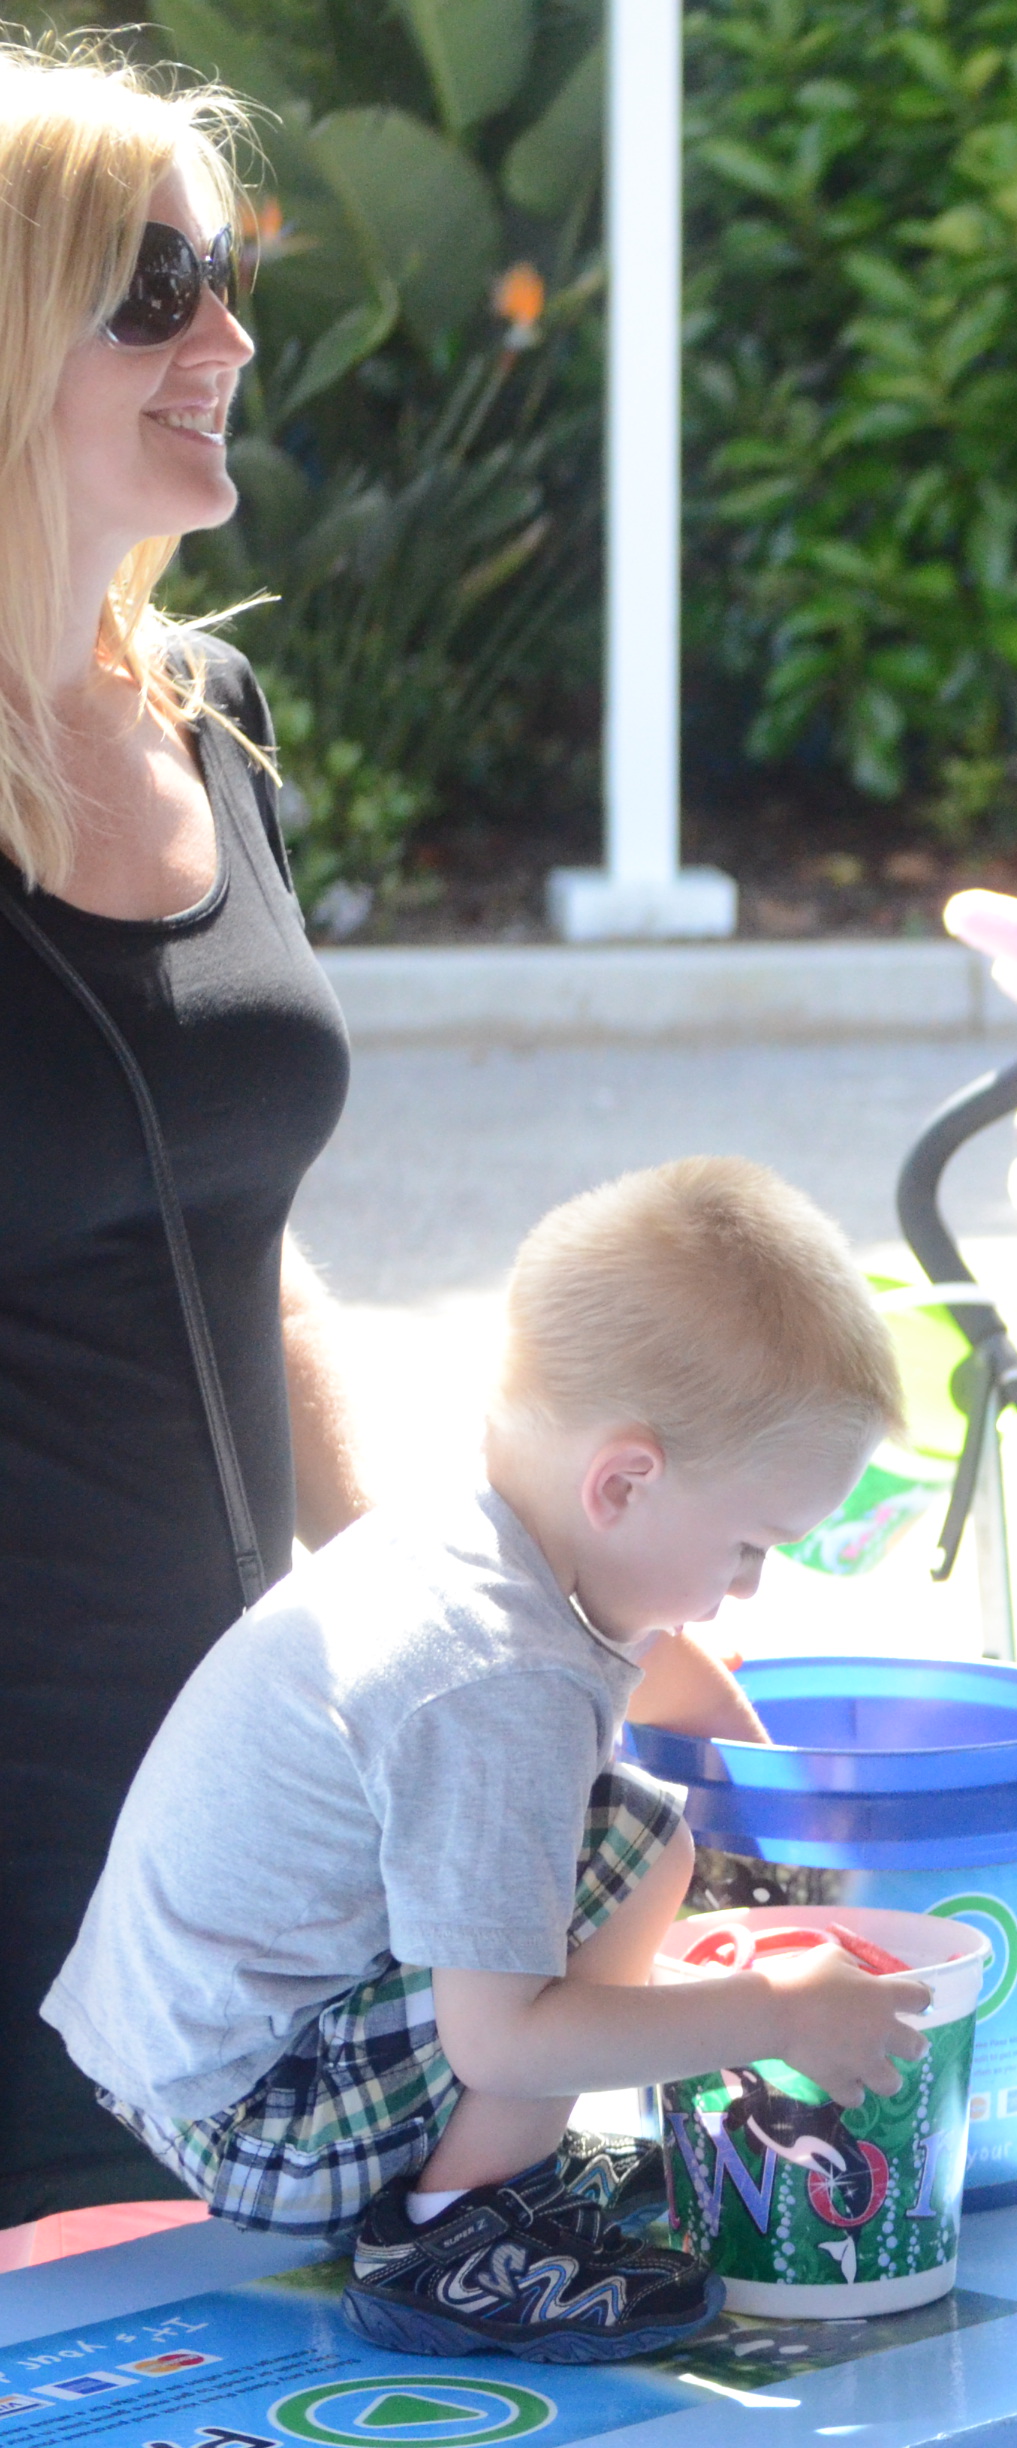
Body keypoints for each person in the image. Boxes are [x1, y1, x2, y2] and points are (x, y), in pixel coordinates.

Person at [47, 1159, 931, 2362]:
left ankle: (491, 2167)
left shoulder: (485, 1535)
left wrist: (791, 1851)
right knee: (637, 1845)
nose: (747, 1588)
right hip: (260, 2112)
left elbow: (663, 1667)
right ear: (624, 1481)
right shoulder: (503, 1683)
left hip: (203, 2048)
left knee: (630, 1833)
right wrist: (773, 2014)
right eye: (746, 1548)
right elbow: (505, 2042)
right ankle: (452, 2239)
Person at [0, 44, 378, 2223]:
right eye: (153, 289)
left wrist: (470, 1605)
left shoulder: (208, 720)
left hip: (237, 1806)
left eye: (226, 271)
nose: (225, 335)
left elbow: (254, 1247)